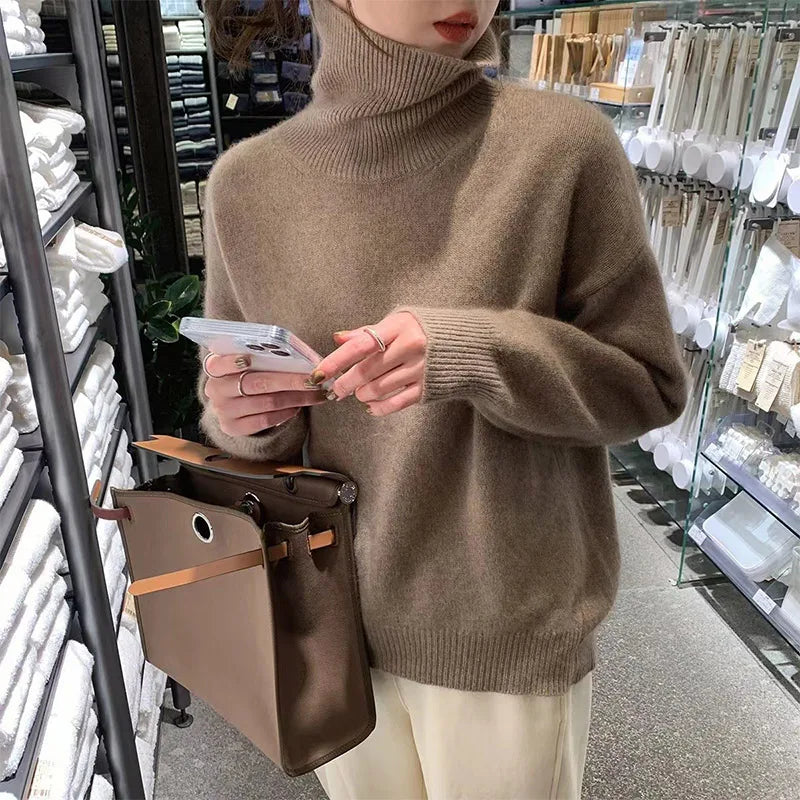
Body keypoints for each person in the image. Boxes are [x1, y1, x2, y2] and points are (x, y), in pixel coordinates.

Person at [199, 1, 687, 797]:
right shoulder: (246, 186)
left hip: (505, 632)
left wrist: (474, 352)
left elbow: (647, 384)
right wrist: (244, 415)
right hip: (331, 623)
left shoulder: (560, 148)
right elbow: (259, 435)